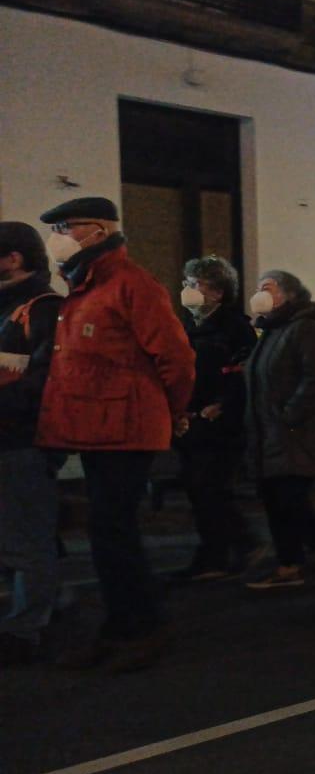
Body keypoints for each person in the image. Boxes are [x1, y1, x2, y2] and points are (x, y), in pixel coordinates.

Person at [35, 198, 195, 672]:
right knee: (108, 534)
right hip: (101, 429)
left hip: (127, 428)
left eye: (68, 226)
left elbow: (177, 358)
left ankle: (141, 627)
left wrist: (173, 409)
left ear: (100, 230)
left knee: (113, 532)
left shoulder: (130, 284)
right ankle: (123, 625)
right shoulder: (84, 286)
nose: (59, 235)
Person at [242, 271, 315, 591]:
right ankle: (298, 560)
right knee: (277, 499)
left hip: (297, 433)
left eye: (268, 288)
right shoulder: (272, 331)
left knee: (290, 499)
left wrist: (290, 416)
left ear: (289, 294)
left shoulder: (305, 328)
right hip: (271, 433)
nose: (260, 293)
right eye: (259, 288)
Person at [171, 255, 258, 582]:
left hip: (219, 423)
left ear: (218, 292)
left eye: (195, 284)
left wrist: (224, 403)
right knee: (202, 489)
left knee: (209, 488)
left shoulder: (234, 326)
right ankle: (232, 547)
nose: (187, 290)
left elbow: (244, 373)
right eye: (186, 284)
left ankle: (221, 552)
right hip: (190, 420)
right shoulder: (187, 324)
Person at [0, 222, 63, 666]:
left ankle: (28, 627)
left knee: (26, 538)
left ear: (14, 258)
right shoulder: (10, 307)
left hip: (21, 440)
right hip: (8, 437)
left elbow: (43, 381)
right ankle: (51, 602)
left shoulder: (42, 307)